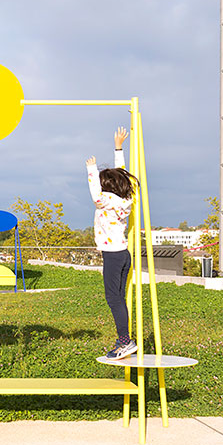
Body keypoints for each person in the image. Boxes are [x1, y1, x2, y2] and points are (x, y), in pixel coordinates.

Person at [86, 126, 140, 360]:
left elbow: (95, 193)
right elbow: (122, 175)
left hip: (113, 254)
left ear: (106, 186)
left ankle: (125, 341)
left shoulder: (106, 200)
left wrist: (91, 170)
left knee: (113, 299)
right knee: (118, 298)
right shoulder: (126, 199)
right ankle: (124, 339)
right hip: (123, 254)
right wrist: (118, 148)